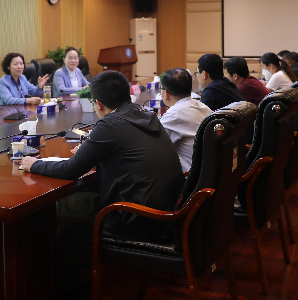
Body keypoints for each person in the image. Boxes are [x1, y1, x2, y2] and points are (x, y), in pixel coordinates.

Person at [22, 71, 184, 298]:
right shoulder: (145, 115)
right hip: (169, 213)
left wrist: (34, 164)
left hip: (137, 220)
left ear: (98, 103)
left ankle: (68, 293)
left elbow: (70, 170)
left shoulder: (110, 124)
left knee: (68, 236)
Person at [159, 68, 211, 172]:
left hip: (190, 177)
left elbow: (155, 148)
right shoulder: (204, 107)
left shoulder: (174, 115)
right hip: (209, 172)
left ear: (166, 93)